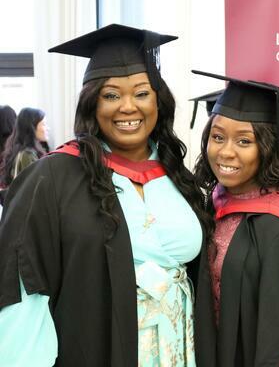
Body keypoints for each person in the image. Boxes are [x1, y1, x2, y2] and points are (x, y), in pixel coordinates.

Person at [0, 24, 211, 366]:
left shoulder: (177, 176)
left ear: (159, 100)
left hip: (178, 350)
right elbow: (23, 286)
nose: (128, 107)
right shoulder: (53, 177)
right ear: (92, 104)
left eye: (142, 93)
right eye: (111, 95)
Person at [191, 70, 279, 367]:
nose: (226, 152)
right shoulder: (210, 203)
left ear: (268, 148)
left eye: (244, 142)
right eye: (218, 137)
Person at [0, 107, 48, 188]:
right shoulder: (27, 154)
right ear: (32, 127)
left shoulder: (19, 149)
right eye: (44, 124)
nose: (47, 128)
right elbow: (36, 188)